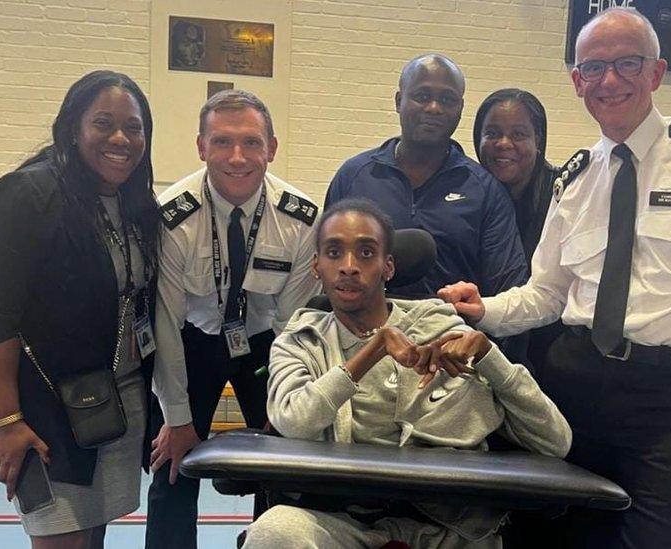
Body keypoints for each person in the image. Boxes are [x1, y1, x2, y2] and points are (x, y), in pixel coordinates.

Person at [439, 7, 671, 547]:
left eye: (627, 64)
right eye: (593, 68)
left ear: (656, 72)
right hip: (574, 391)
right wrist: (484, 310)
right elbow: (547, 293)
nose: (609, 80)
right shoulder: (577, 180)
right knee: (552, 539)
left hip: (670, 402)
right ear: (577, 82)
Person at [242, 198, 571, 548]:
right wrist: (373, 350)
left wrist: (489, 354)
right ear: (316, 266)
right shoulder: (299, 342)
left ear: (389, 267)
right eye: (334, 253)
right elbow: (294, 420)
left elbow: (555, 441)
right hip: (339, 522)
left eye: (366, 253)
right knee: (275, 531)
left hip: (451, 528)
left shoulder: (448, 332)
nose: (349, 266)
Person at [0, 70, 161, 548]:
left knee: (92, 536)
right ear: (71, 128)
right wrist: (7, 420)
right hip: (45, 410)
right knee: (61, 537)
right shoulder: (28, 195)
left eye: (134, 127)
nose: (121, 138)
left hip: (114, 404)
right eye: (103, 123)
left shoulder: (132, 202)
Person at [145, 89, 321, 549]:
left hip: (266, 347)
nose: (237, 157)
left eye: (251, 142)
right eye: (222, 142)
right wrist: (177, 417)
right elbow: (164, 321)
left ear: (272, 148)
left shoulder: (300, 219)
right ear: (201, 147)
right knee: (172, 462)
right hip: (192, 342)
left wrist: (284, 403)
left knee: (284, 463)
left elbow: (293, 326)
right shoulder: (171, 217)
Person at [324, 54, 528, 300]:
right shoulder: (354, 176)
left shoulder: (486, 190)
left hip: (452, 334)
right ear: (399, 101)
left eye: (447, 99)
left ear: (460, 109)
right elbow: (327, 267)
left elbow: (507, 291)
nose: (434, 108)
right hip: (364, 335)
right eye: (422, 97)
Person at [473, 88, 565, 375]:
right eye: (492, 133)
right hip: (482, 351)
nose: (504, 143)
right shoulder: (467, 195)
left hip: (553, 357)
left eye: (519, 134)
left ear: (539, 140)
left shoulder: (566, 194)